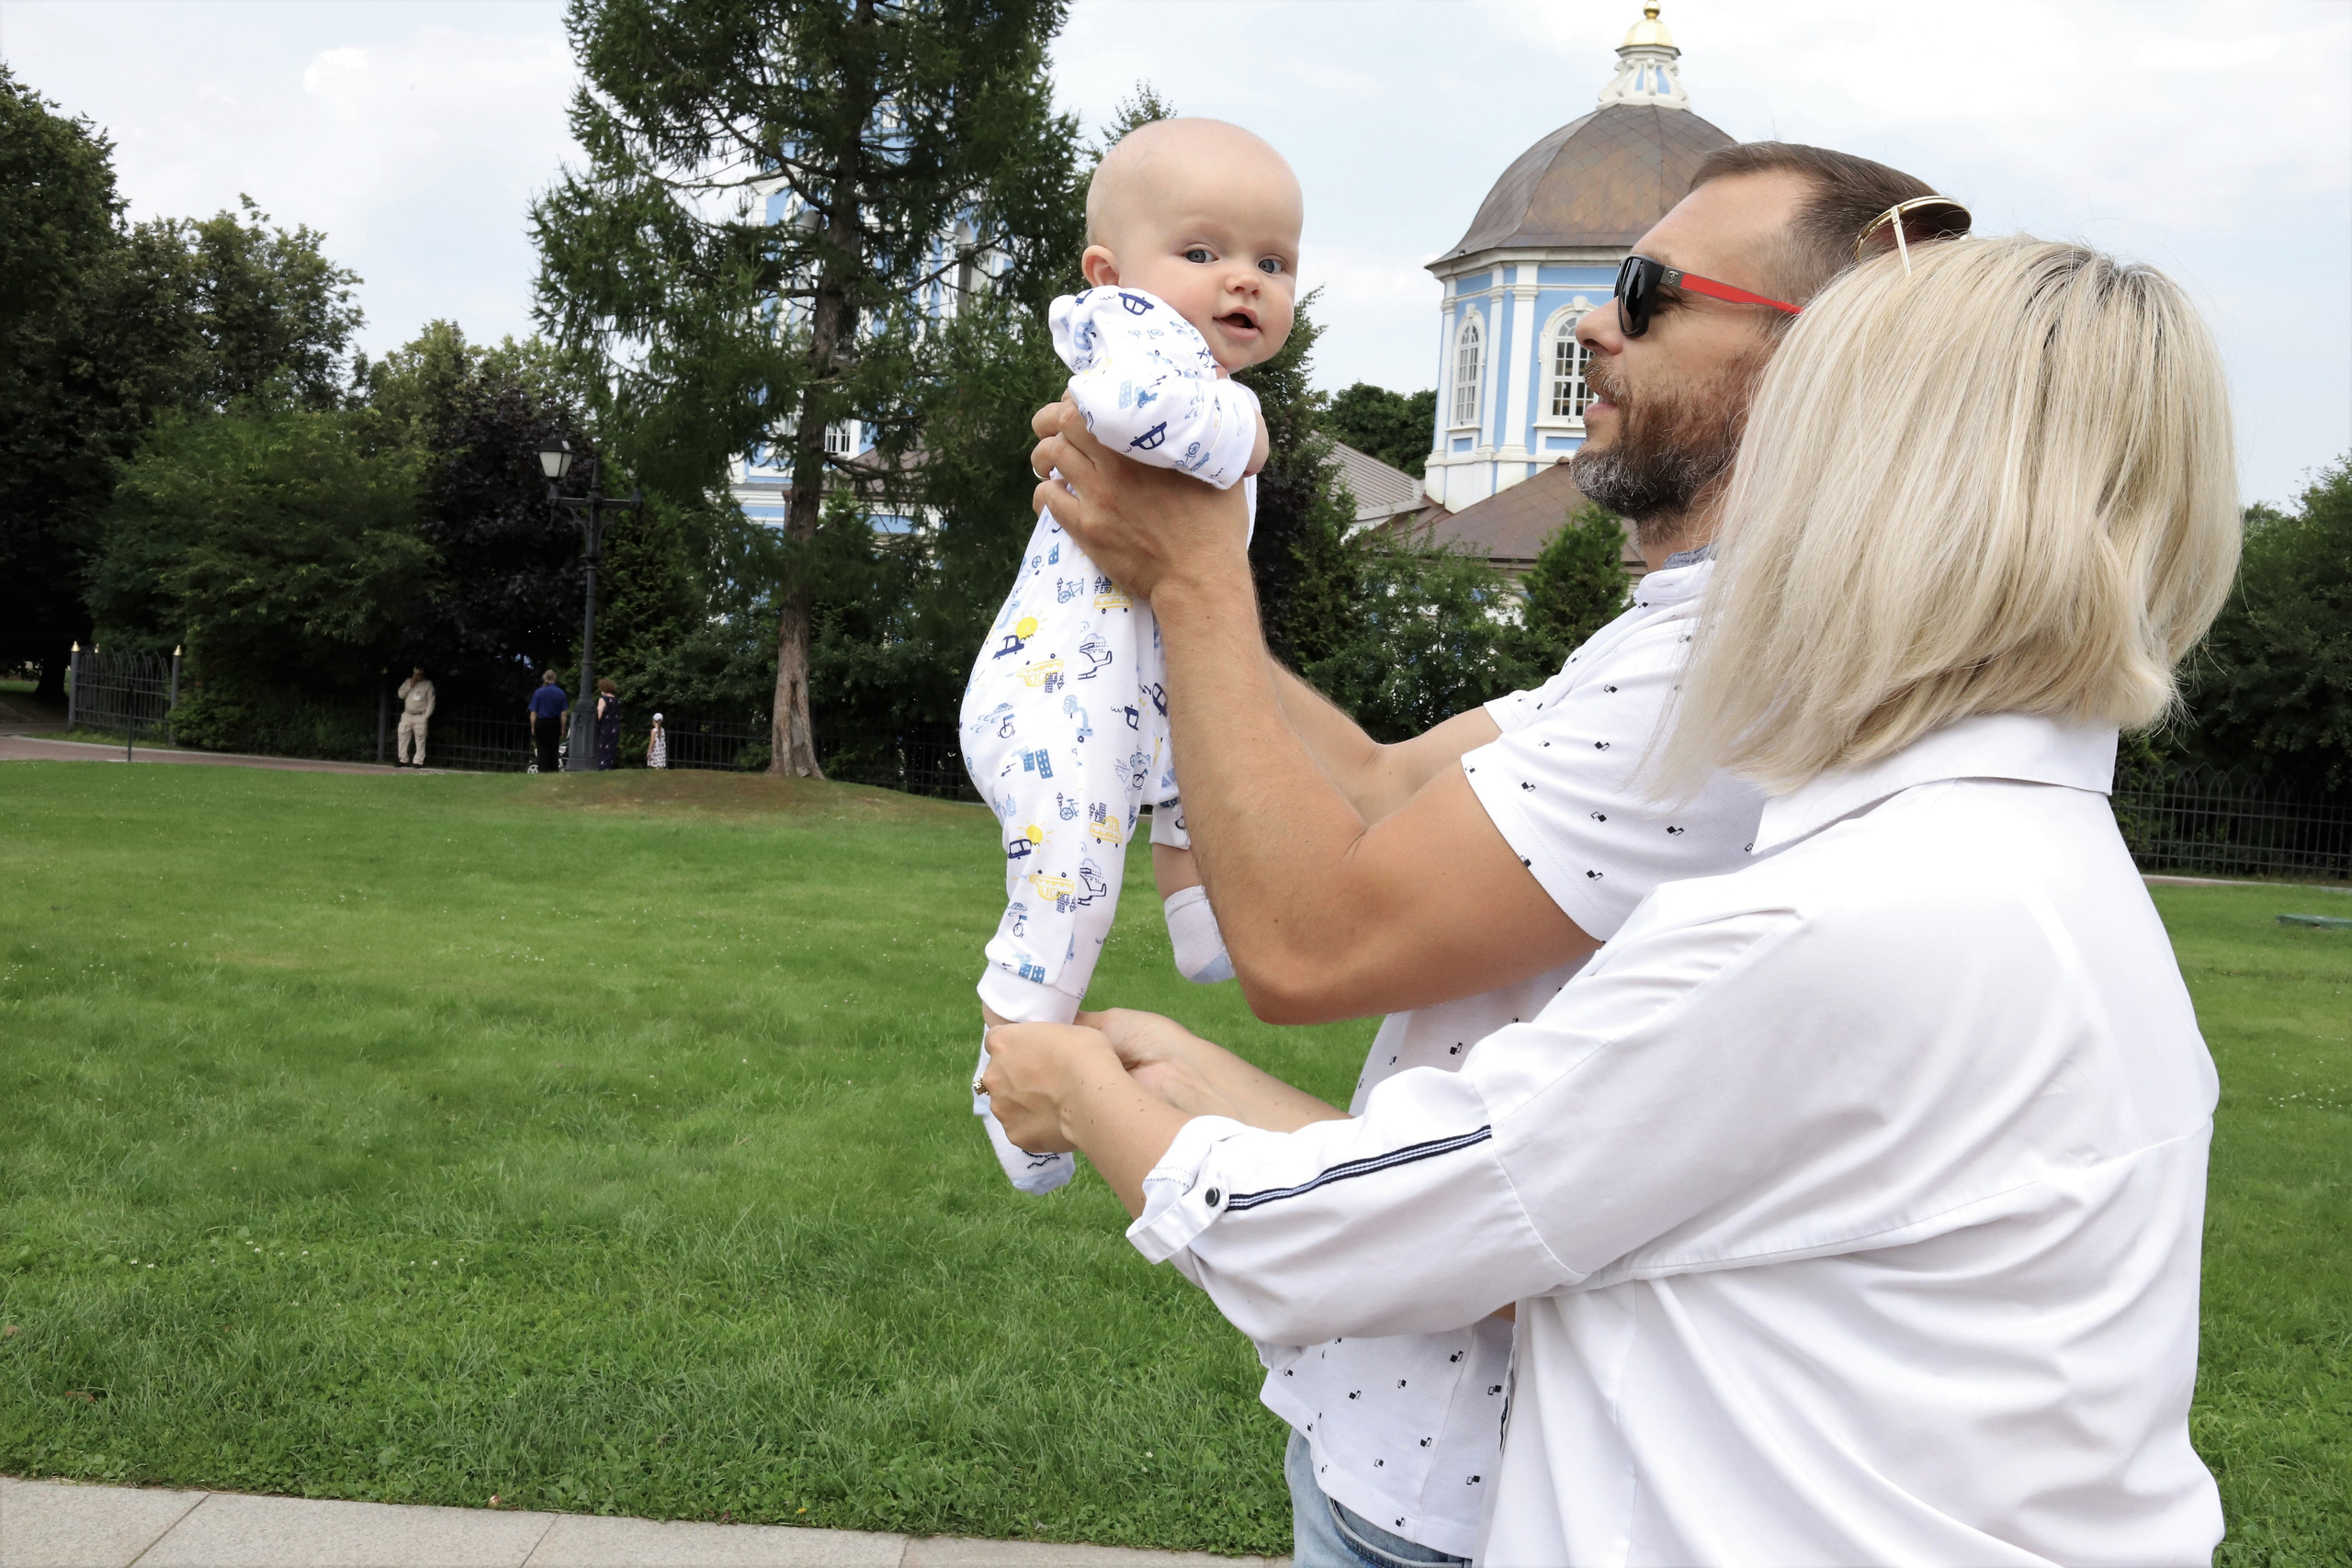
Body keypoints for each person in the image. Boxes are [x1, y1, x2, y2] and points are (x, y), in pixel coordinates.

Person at [985, 233, 2241, 1562]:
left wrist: (1076, 1091)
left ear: (1904, 500)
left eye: (1806, 445)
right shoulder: (2025, 866)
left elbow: (1332, 1240)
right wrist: (1189, 1073)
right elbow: (1530, 1185)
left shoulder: (1832, 924)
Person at [960, 116, 1299, 1197]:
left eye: (1272, 261)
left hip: (1135, 681)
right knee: (1069, 886)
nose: (1241, 280)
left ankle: (1202, 921)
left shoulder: (1183, 348)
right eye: (1202, 253)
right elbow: (1125, 410)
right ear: (1111, 273)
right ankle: (1009, 1067)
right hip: (1056, 692)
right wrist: (1245, 431)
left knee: (1221, 748)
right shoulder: (1132, 337)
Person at [526, 671, 567, 775]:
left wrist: (533, 727)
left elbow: (533, 712)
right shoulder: (560, 693)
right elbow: (563, 713)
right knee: (554, 749)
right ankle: (553, 771)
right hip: (555, 723)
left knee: (542, 749)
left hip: (542, 723)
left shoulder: (539, 692)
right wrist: (562, 728)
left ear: (545, 678)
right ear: (555, 678)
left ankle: (543, 771)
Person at [394, 667, 435, 768]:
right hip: (407, 715)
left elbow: (431, 701)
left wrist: (426, 716)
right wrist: (410, 686)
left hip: (420, 715)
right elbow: (401, 694)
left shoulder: (428, 685)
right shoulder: (408, 682)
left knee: (420, 738)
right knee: (402, 736)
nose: (418, 676)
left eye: (420, 675)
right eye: (416, 675)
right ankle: (403, 759)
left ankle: (418, 761)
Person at [595, 679, 620, 771]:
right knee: (612, 748)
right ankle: (610, 766)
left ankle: (602, 767)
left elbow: (599, 714)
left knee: (603, 748)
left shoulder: (603, 699)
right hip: (615, 727)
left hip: (606, 727)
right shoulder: (616, 700)